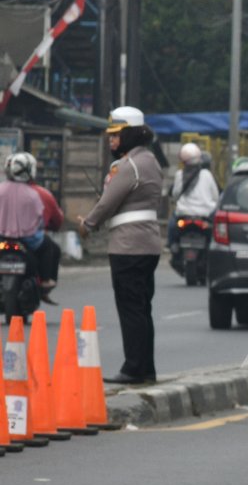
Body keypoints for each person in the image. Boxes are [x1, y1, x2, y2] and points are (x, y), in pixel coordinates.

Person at [78, 106, 164, 385]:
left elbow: (107, 202)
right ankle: (146, 368)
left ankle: (133, 368)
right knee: (141, 308)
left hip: (128, 246)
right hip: (147, 244)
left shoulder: (130, 166)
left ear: (129, 135)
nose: (111, 140)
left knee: (131, 308)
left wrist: (88, 224)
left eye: (116, 135)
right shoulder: (149, 160)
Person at [1, 152, 64, 302]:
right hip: (27, 239)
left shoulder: (1, 189)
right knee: (48, 246)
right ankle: (45, 280)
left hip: (2, 237)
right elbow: (40, 220)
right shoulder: (34, 194)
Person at [168, 142, 220, 273]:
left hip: (183, 214)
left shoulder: (179, 174)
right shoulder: (207, 175)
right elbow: (216, 195)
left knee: (172, 224)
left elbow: (175, 194)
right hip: (205, 214)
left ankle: (172, 244)